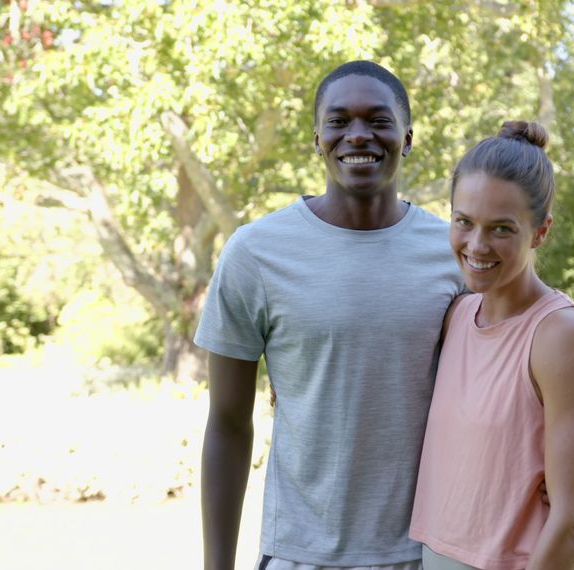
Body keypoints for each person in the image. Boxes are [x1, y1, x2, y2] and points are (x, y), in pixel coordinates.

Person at [193, 61, 463, 570]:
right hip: (300, 554)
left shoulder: (453, 251)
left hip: (430, 555)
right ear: (317, 137)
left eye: (378, 120)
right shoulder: (255, 254)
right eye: (339, 121)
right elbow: (227, 425)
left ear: (406, 138)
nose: (358, 134)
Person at [409, 121, 574, 570]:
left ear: (540, 232)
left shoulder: (563, 336)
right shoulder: (458, 317)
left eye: (502, 229)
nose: (477, 245)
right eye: (464, 222)